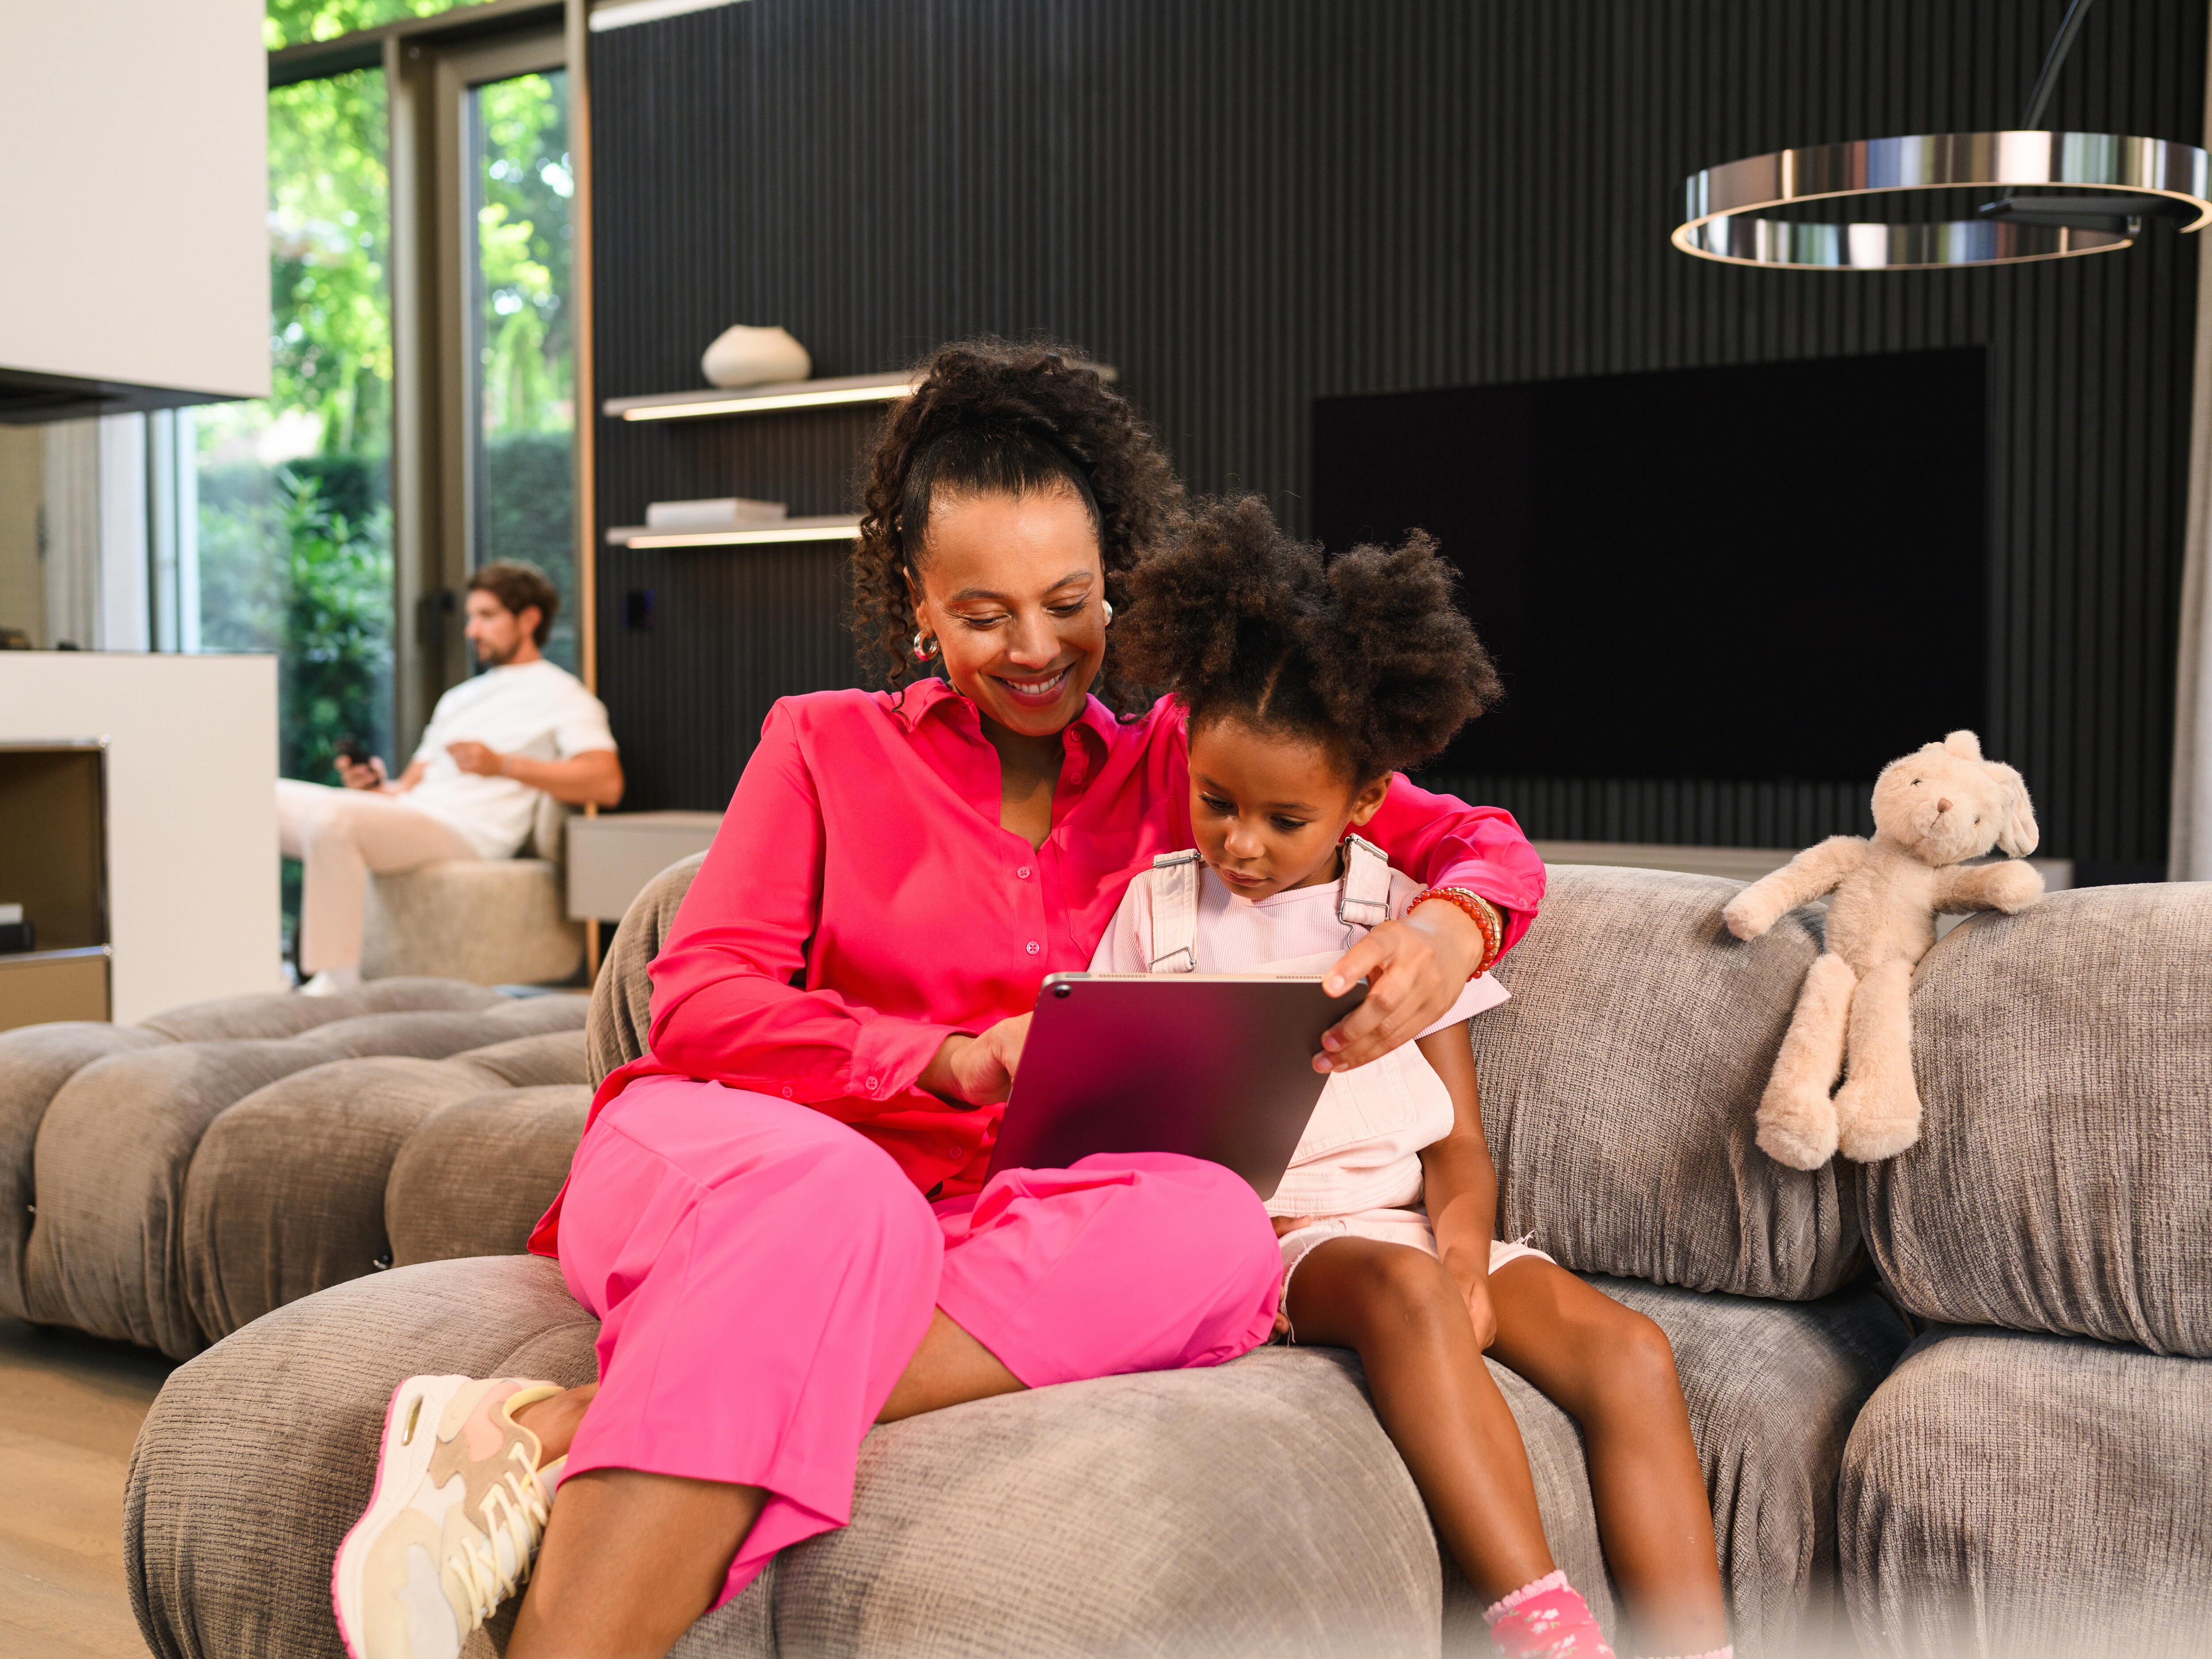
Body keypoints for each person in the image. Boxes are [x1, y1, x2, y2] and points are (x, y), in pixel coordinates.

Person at [329, 342, 1547, 1659]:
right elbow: (700, 1000)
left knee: (1216, 1229)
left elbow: (1481, 838)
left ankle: (543, 1426)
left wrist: (1448, 920)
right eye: (982, 613)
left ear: (1119, 584)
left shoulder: (1186, 766)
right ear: (913, 595)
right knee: (841, 1204)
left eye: (1069, 602)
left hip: (980, 1220)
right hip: (746, 1152)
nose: (1034, 649)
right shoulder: (819, 742)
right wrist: (948, 1058)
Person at [1091, 498, 1730, 1659]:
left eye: (1284, 818)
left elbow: (1458, 1146)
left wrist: (1463, 1254)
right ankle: (1541, 1619)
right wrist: (1425, 1280)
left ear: (1364, 802)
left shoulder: (1399, 916)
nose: (1240, 843)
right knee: (1405, 1292)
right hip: (1287, 1240)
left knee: (1631, 1349)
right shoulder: (1152, 916)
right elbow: (1120, 1129)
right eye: (1215, 802)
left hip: (1418, 1228)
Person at [275, 561, 624, 995]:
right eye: (470, 617)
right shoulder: (459, 699)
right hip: (417, 816)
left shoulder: (564, 695)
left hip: (468, 833)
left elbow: (606, 782)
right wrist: (375, 790)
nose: (472, 631)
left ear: (530, 619)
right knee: (260, 798)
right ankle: (247, 962)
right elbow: (407, 788)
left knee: (333, 817)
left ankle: (337, 982)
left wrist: (505, 766)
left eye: (487, 616)